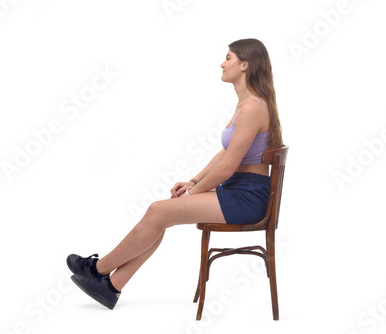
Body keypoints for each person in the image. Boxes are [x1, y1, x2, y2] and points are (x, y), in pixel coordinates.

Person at [66, 38, 284, 309]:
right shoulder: (246, 104)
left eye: (228, 57)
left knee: (158, 211)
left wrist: (194, 192)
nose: (222, 63)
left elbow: (228, 168)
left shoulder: (253, 107)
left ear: (245, 65)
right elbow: (224, 156)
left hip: (248, 197)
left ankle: (98, 269)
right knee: (161, 215)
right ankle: (112, 286)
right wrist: (193, 181)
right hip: (240, 191)